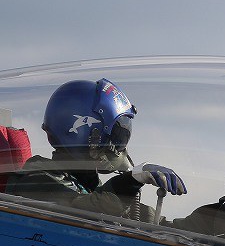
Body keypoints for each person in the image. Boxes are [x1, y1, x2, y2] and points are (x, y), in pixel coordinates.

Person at [6, 78, 186, 222]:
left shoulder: (91, 187)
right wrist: (128, 183)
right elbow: (80, 213)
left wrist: (213, 214)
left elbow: (168, 228)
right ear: (85, 132)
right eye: (115, 135)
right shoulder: (35, 182)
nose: (118, 144)